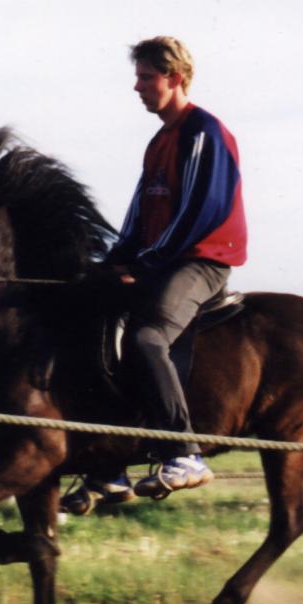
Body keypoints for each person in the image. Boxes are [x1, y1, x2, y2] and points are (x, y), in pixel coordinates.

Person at [63, 36, 248, 514]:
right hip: (166, 259)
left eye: (146, 77)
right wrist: (111, 264)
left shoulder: (203, 132)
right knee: (97, 319)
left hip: (202, 262)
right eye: (139, 76)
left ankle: (185, 454)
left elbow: (200, 213)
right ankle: (110, 466)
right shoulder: (159, 141)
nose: (137, 86)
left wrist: (144, 265)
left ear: (175, 78)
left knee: (146, 338)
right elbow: (138, 216)